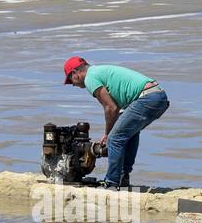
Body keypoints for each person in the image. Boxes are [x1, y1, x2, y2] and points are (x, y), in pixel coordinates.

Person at [62, 56, 169, 188]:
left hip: (147, 98)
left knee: (114, 139)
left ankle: (111, 182)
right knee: (128, 135)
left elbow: (111, 108)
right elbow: (118, 110)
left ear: (75, 73)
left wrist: (107, 134)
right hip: (158, 97)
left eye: (70, 80)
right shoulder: (98, 71)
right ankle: (123, 179)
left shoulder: (90, 78)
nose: (72, 84)